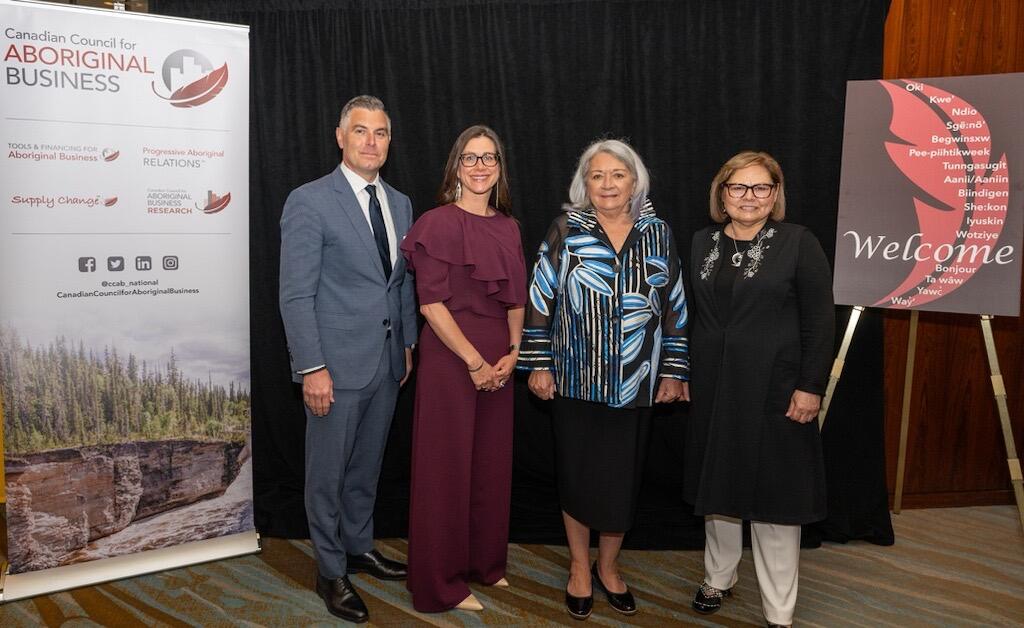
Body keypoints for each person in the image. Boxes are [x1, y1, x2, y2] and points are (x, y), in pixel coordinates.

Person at [518, 139, 690, 620]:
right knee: (577, 477)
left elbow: (675, 305)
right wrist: (539, 364)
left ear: (635, 181)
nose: (608, 184)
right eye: (598, 175)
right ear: (585, 183)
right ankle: (578, 566)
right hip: (574, 378)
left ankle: (609, 567)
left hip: (636, 381)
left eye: (618, 174)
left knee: (621, 481)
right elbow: (539, 298)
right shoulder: (565, 230)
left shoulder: (659, 233)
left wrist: (675, 370)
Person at [279, 95, 416, 624]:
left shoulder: (400, 203)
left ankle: (359, 546)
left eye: (380, 133)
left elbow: (399, 281)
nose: (370, 142)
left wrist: (406, 345)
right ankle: (330, 569)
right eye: (360, 131)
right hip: (333, 367)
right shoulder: (310, 201)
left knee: (366, 465)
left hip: (385, 362)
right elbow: (295, 294)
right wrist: (311, 367)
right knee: (327, 472)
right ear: (340, 136)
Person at [683, 151, 835, 628]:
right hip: (714, 388)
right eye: (738, 188)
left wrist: (810, 387)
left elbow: (819, 321)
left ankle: (779, 610)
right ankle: (718, 578)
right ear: (722, 195)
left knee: (775, 501)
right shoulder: (701, 241)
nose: (749, 198)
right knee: (718, 490)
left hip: (776, 388)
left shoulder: (798, 243)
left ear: (775, 195)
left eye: (761, 188)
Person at [401, 125, 527, 613]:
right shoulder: (436, 223)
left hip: (500, 356)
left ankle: (483, 564)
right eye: (470, 158)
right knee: (445, 469)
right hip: (453, 358)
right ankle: (440, 582)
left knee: (490, 467)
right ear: (456, 166)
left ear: (500, 167)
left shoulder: (509, 227)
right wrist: (474, 361)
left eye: (489, 158)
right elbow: (430, 304)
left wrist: (513, 351)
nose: (480, 167)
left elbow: (516, 297)